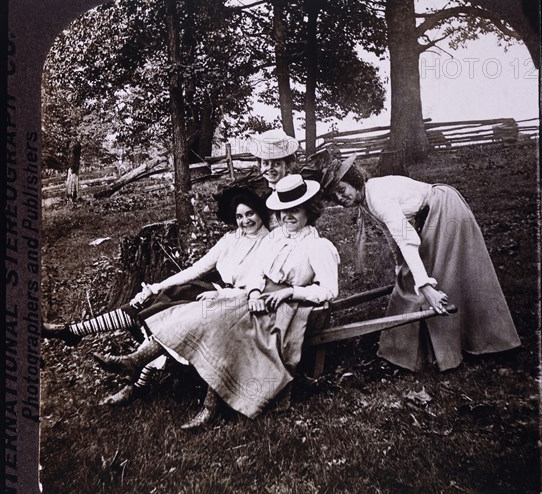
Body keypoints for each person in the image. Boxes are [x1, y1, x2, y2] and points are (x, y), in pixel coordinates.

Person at [94, 174, 340, 428]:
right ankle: (136, 360)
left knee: (223, 326)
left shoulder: (318, 246)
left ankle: (210, 406)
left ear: (309, 210)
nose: (288, 216)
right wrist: (255, 292)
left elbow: (328, 291)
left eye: (295, 210)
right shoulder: (277, 239)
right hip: (255, 298)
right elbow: (259, 272)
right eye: (284, 210)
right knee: (201, 312)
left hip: (287, 309)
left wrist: (290, 293)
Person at [44, 187, 270, 404]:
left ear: (259, 212)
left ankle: (137, 384)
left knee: (170, 320)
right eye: (240, 216)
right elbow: (196, 269)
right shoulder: (231, 239)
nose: (245, 221)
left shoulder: (269, 243)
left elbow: (258, 284)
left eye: (250, 214)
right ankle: (73, 330)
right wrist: (156, 287)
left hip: (237, 301)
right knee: (151, 302)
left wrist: (225, 296)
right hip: (210, 290)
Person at [317, 151, 521, 372]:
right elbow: (391, 233)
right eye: (334, 196)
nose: (340, 198)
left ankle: (458, 345)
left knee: (446, 276)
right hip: (437, 209)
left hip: (444, 209)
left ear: (354, 181)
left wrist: (424, 285)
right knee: (414, 275)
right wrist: (399, 266)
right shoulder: (367, 197)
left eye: (341, 189)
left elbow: (407, 239)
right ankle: (420, 348)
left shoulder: (378, 196)